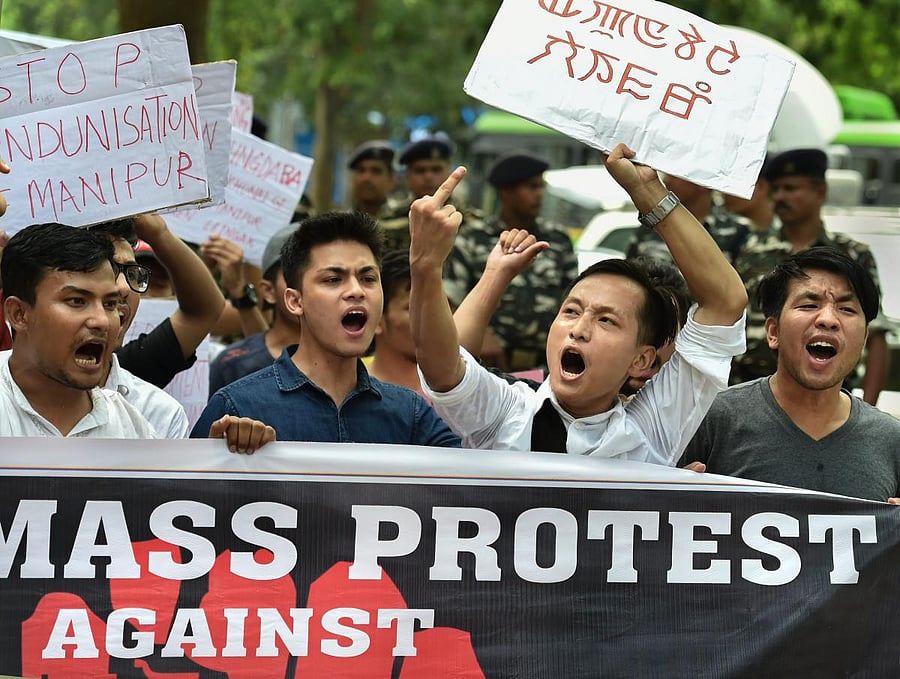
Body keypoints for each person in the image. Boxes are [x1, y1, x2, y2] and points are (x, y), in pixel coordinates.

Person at [409, 144, 748, 463]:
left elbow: (726, 302)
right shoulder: (505, 412)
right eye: (571, 311)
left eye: (606, 320)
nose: (579, 330)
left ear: (642, 360)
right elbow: (444, 367)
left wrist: (647, 190)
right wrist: (426, 267)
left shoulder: (652, 429)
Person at [191, 211, 460, 447]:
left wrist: (429, 267)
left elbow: (470, 474)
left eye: (368, 278)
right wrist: (225, 455)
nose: (356, 291)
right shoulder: (238, 407)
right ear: (295, 301)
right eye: (333, 279)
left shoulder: (411, 414)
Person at [680, 247, 900, 503]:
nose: (828, 319)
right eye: (809, 305)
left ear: (863, 340)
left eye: (847, 309)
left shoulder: (891, 440)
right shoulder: (711, 419)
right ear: (773, 332)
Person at [731, 148, 889, 406]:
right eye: (776, 189)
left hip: (830, 397)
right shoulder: (748, 250)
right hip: (751, 393)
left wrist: (868, 412)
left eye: (791, 188)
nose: (780, 197)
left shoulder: (852, 254)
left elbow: (876, 335)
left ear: (820, 192)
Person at [0, 223, 157, 437]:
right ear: (19, 314)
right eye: (77, 301)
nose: (101, 321)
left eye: (110, 304)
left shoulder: (133, 431)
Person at [443, 150, 578, 372]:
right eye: (531, 187)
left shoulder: (558, 240)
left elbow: (572, 301)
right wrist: (483, 335)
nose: (539, 195)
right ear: (505, 191)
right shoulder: (473, 238)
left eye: (541, 187)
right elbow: (450, 298)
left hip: (546, 365)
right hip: (486, 364)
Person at [90, 214, 225, 389]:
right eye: (108, 269)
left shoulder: (132, 372)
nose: (124, 287)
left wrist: (159, 233)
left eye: (132, 273)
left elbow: (204, 311)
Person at [208, 224, 301, 394]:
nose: (308, 287)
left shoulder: (349, 361)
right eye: (295, 276)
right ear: (269, 291)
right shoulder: (233, 366)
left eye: (330, 278)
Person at [627, 173, 752, 265]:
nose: (666, 180)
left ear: (702, 183)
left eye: (675, 175)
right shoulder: (652, 226)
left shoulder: (739, 232)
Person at [366, 250, 422, 392]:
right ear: (377, 320)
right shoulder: (347, 386)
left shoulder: (456, 385)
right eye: (413, 308)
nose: (431, 319)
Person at [346, 140, 409, 252]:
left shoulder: (407, 221)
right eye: (361, 170)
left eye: (376, 171)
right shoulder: (342, 223)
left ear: (391, 180)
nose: (366, 178)